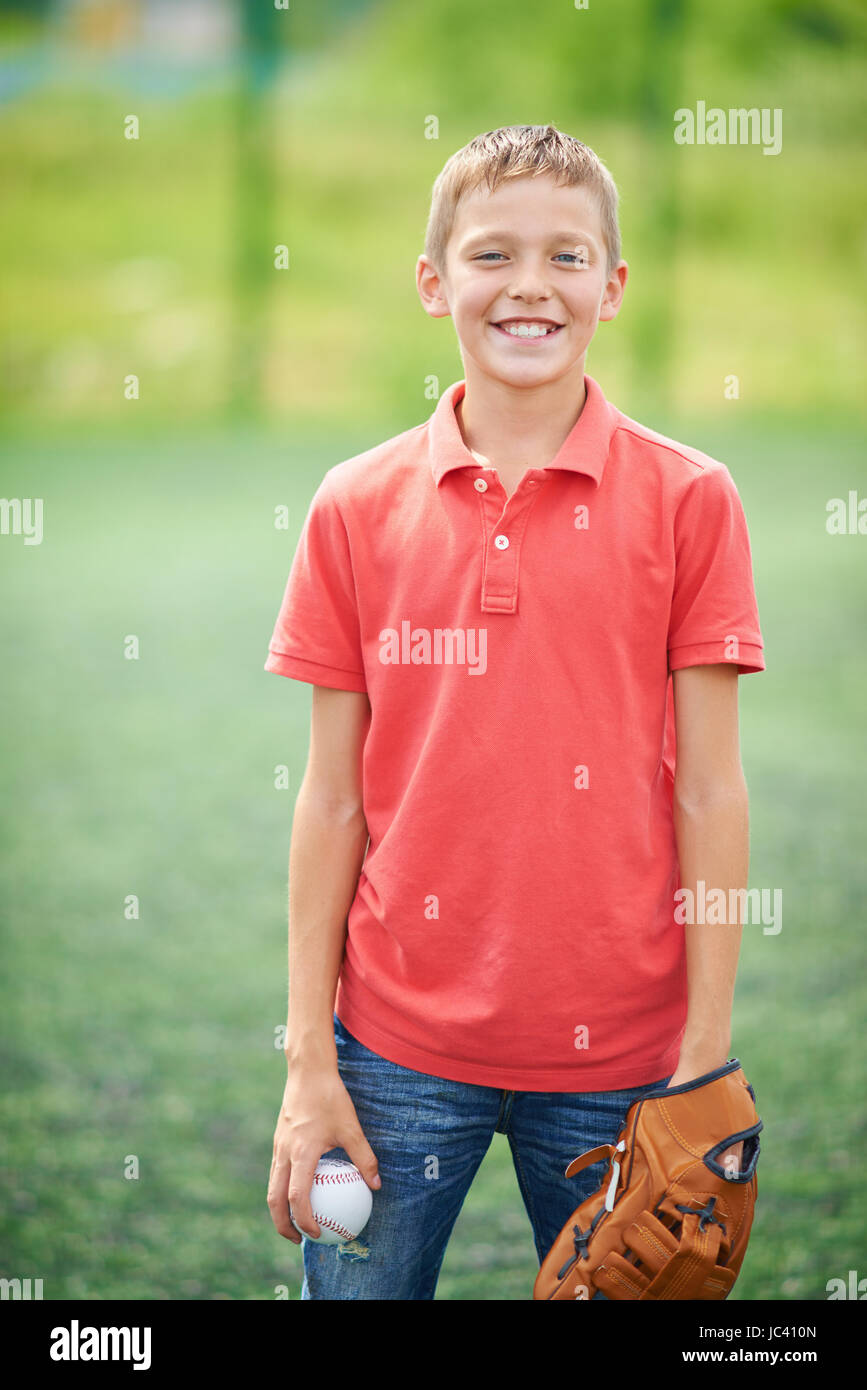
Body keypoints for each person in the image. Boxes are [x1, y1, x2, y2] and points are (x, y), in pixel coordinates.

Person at [263, 124, 765, 1300]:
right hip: (388, 1051)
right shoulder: (353, 504)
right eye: (492, 255)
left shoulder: (693, 499)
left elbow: (711, 787)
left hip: (625, 1060)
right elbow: (332, 795)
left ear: (614, 285)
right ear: (435, 282)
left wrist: (701, 1057)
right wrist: (307, 1056)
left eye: (568, 256)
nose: (531, 285)